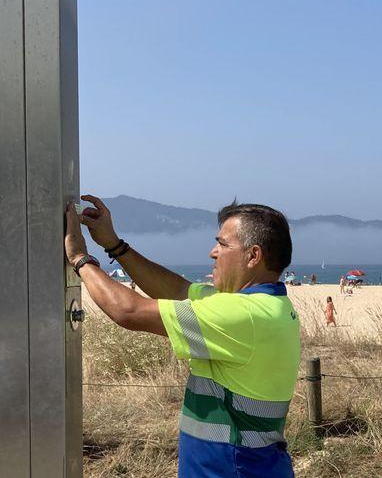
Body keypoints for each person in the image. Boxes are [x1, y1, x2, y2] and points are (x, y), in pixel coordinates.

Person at [64, 196, 299, 477]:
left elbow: (128, 310)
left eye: (223, 244)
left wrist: (81, 259)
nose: (213, 252)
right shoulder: (265, 305)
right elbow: (176, 289)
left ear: (253, 256)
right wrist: (114, 244)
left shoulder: (242, 315)